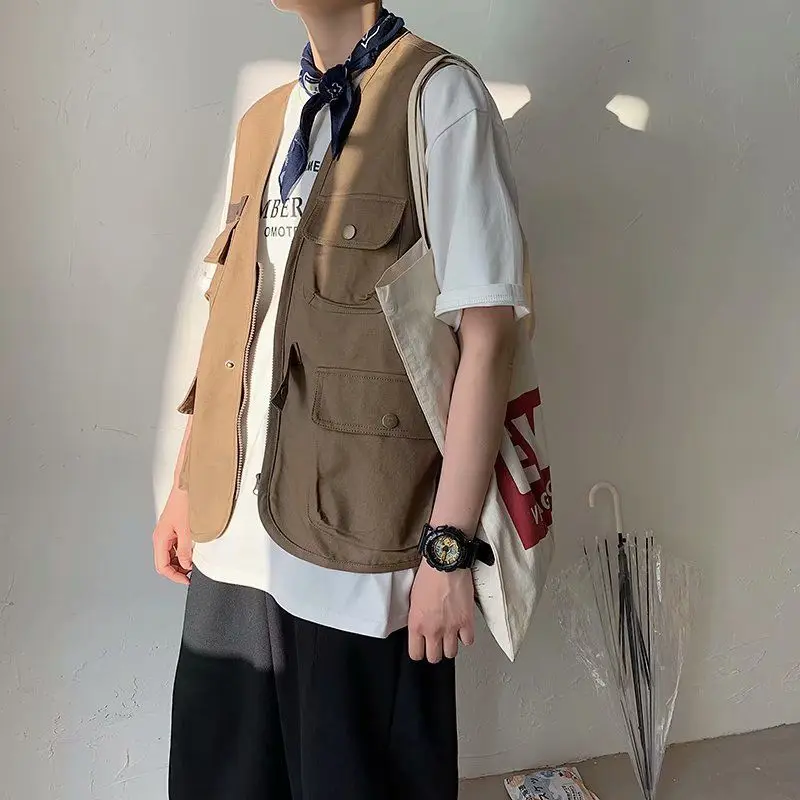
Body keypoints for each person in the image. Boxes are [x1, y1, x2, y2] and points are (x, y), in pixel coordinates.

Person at [152, 2, 530, 798]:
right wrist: (185, 484)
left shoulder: (439, 98)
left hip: (361, 556)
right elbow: (233, 319)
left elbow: (488, 339)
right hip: (233, 549)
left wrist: (449, 549)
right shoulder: (265, 122)